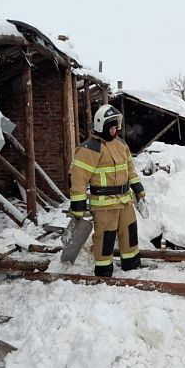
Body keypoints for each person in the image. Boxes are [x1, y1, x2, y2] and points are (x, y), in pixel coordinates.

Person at [68, 104, 145, 277]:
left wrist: (139, 190)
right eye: (111, 127)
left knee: (130, 232)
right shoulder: (89, 149)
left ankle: (131, 265)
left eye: (116, 126)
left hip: (124, 201)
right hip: (104, 205)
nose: (115, 130)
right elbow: (78, 179)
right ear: (101, 126)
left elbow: (130, 170)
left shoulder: (121, 145)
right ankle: (104, 271)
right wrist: (78, 206)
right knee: (105, 237)